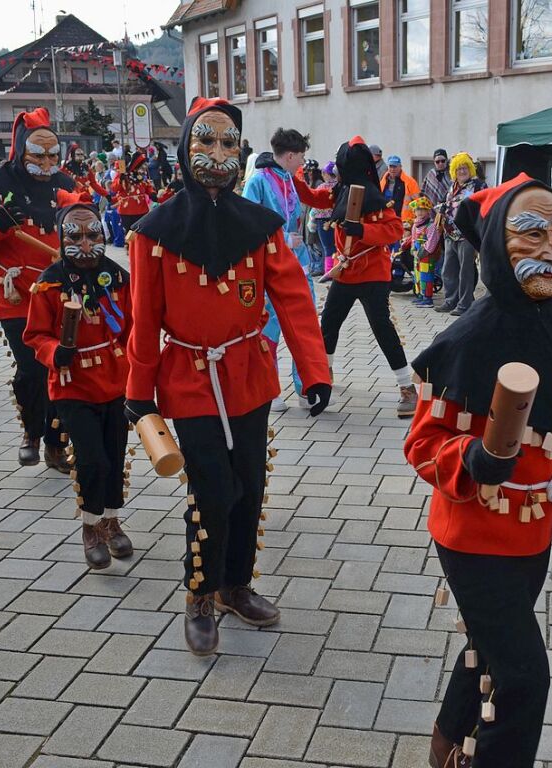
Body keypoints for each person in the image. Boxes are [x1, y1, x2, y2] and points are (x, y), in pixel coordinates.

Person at [404, 173, 552, 768]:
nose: (551, 248)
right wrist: (472, 458)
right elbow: (422, 442)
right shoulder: (465, 340)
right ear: (495, 245)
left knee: (486, 649)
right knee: (524, 678)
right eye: (530, 233)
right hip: (470, 536)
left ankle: (444, 750)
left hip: (534, 536)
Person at [124, 97, 331, 656]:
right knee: (212, 490)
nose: (218, 153)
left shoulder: (261, 227)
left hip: (249, 374)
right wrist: (138, 395)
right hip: (189, 379)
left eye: (228, 143)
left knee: (250, 487)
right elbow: (144, 320)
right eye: (206, 141)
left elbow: (293, 298)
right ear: (185, 146)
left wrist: (314, 369)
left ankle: (235, 585)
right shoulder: (153, 232)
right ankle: (200, 590)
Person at [0, 107, 82, 469]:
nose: (47, 162)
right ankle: (32, 429)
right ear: (19, 149)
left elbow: (81, 220)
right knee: (31, 367)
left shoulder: (64, 184)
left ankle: (56, 444)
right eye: (38, 154)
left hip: (59, 292)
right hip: (16, 293)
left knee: (61, 366)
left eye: (52, 154)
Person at [24, 203, 135, 568]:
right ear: (62, 238)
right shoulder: (49, 283)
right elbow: (35, 335)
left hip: (115, 381)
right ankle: (90, 527)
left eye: (94, 236)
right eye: (76, 237)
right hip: (73, 385)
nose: (86, 246)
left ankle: (111, 519)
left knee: (115, 456)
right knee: (92, 459)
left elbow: (134, 328)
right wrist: (55, 351)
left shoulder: (118, 277)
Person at [293, 136, 418, 417]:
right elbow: (310, 197)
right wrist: (291, 173)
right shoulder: (338, 194)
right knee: (329, 324)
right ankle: (324, 376)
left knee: (382, 328)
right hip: (346, 273)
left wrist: (363, 231)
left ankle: (407, 387)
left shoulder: (377, 199)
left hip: (373, 273)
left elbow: (395, 230)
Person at [242, 128, 318, 411]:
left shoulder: (290, 178)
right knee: (270, 329)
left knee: (303, 327)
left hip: (299, 266)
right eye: (300, 157)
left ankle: (306, 387)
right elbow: (247, 224)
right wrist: (284, 239)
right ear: (290, 155)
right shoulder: (258, 182)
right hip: (271, 267)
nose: (302, 162)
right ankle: (269, 388)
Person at [437, 152, 487, 317]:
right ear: (453, 171)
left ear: (470, 168)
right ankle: (451, 300)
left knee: (465, 271)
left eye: (465, 168)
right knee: (448, 270)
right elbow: (446, 203)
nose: (462, 171)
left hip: (467, 235)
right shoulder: (452, 186)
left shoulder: (478, 185)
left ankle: (465, 304)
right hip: (449, 233)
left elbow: (485, 207)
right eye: (458, 169)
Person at [402, 194, 442, 307]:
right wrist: (413, 250)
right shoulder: (415, 225)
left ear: (428, 211)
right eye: (417, 210)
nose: (420, 212)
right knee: (418, 276)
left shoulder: (431, 225)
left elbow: (432, 242)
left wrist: (423, 252)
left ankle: (428, 298)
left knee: (426, 277)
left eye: (423, 210)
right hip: (417, 255)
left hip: (426, 256)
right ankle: (420, 295)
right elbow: (414, 239)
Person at [110, 150, 156, 234]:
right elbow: (114, 188)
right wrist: (120, 178)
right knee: (130, 235)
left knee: (141, 234)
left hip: (142, 209)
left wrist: (152, 193)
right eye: (143, 164)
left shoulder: (142, 175)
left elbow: (148, 186)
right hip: (126, 210)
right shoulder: (123, 174)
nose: (145, 166)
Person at [381, 155, 420, 229]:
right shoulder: (383, 181)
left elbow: (417, 202)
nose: (392, 169)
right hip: (385, 220)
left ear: (400, 167)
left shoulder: (410, 182)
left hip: (403, 221)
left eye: (395, 166)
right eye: (390, 166)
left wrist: (413, 220)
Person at [313, 162, 338, 276]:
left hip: (322, 220)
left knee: (327, 247)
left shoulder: (321, 187)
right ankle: (337, 271)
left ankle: (328, 272)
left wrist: (312, 219)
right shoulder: (340, 186)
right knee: (338, 246)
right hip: (337, 220)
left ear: (325, 173)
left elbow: (315, 205)